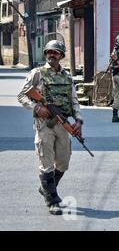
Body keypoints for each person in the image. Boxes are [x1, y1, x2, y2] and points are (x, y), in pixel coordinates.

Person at [17, 40, 83, 215]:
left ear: (61, 56)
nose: (52, 55)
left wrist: (78, 121)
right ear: (46, 54)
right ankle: (52, 200)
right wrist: (37, 108)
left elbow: (74, 101)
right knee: (46, 162)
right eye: (49, 52)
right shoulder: (37, 73)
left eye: (56, 52)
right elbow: (22, 96)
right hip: (43, 125)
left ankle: (45, 188)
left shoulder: (67, 77)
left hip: (63, 123)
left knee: (63, 162)